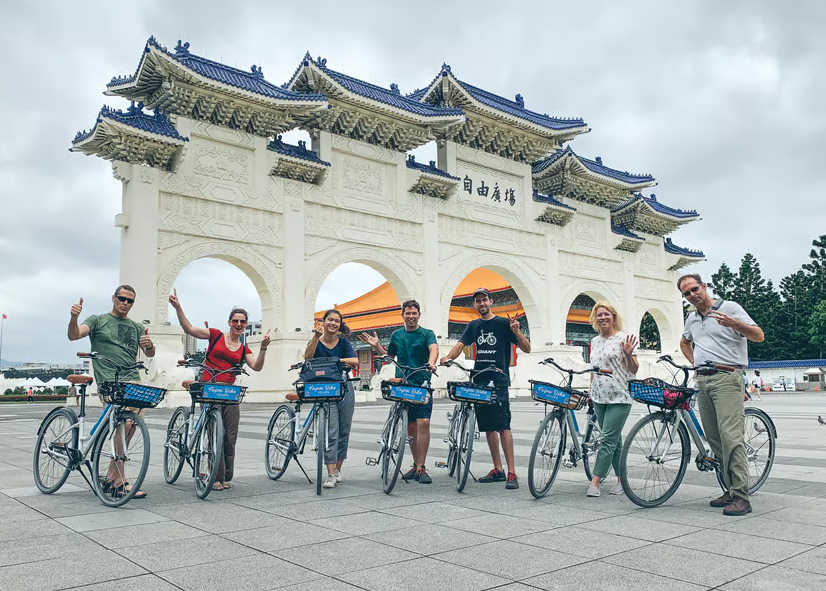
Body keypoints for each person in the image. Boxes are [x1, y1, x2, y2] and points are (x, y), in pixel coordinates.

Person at [678, 273, 764, 516]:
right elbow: (684, 342)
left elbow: (758, 335)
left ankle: (742, 496)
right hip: (703, 380)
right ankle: (729, 489)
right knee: (714, 438)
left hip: (727, 377)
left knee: (730, 437)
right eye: (686, 293)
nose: (692, 295)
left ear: (704, 286)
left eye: (694, 289)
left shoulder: (731, 308)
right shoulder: (692, 318)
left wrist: (735, 324)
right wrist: (695, 361)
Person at [169, 289, 270, 491]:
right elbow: (189, 329)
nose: (239, 325)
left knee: (230, 436)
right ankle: (215, 477)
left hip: (229, 393)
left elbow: (256, 366)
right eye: (236, 321)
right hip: (209, 389)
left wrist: (264, 348)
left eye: (243, 322)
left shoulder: (244, 349)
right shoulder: (215, 335)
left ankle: (225, 476)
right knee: (214, 433)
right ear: (229, 322)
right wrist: (178, 307)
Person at [68, 285, 156, 498]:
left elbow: (150, 353)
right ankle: (119, 479)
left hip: (132, 380)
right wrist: (73, 318)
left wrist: (149, 345)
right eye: (121, 298)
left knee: (132, 423)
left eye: (130, 301)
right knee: (126, 423)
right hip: (109, 382)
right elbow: (75, 335)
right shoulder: (98, 320)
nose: (125, 303)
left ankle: (111, 476)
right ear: (113, 298)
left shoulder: (136, 327)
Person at [441, 287, 531, 490]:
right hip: (479, 380)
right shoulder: (474, 325)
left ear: (491, 302)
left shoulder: (503, 324)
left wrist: (517, 332)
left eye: (484, 300)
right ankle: (497, 469)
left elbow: (526, 348)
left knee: (504, 426)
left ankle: (511, 472)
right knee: (489, 427)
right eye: (478, 301)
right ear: (474, 304)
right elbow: (460, 344)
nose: (481, 304)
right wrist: (448, 357)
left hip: (499, 380)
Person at [360, 300, 439, 484]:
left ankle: (422, 466)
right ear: (402, 315)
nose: (411, 316)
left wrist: (432, 362)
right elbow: (389, 357)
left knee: (424, 423)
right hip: (403, 384)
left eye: (414, 313)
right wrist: (376, 346)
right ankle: (416, 465)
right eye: (407, 313)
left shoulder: (427, 333)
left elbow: (433, 348)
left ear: (419, 314)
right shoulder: (397, 335)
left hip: (422, 383)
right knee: (410, 427)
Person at [586, 301, 638, 497]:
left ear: (613, 317)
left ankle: (595, 481)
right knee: (614, 440)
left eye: (606, 314)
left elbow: (634, 370)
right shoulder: (594, 341)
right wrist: (591, 391)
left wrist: (629, 354)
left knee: (607, 438)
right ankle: (621, 480)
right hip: (599, 396)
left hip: (620, 395)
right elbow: (594, 368)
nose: (603, 318)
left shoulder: (623, 339)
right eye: (599, 315)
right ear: (595, 319)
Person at [304, 309, 358, 489]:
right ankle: (329, 473)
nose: (333, 323)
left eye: (337, 321)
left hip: (344, 387)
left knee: (344, 430)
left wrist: (334, 360)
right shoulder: (317, 341)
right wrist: (315, 337)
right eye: (330, 320)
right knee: (331, 430)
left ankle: (337, 470)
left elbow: (355, 361)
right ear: (323, 322)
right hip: (326, 388)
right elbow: (307, 357)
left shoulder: (343, 342)